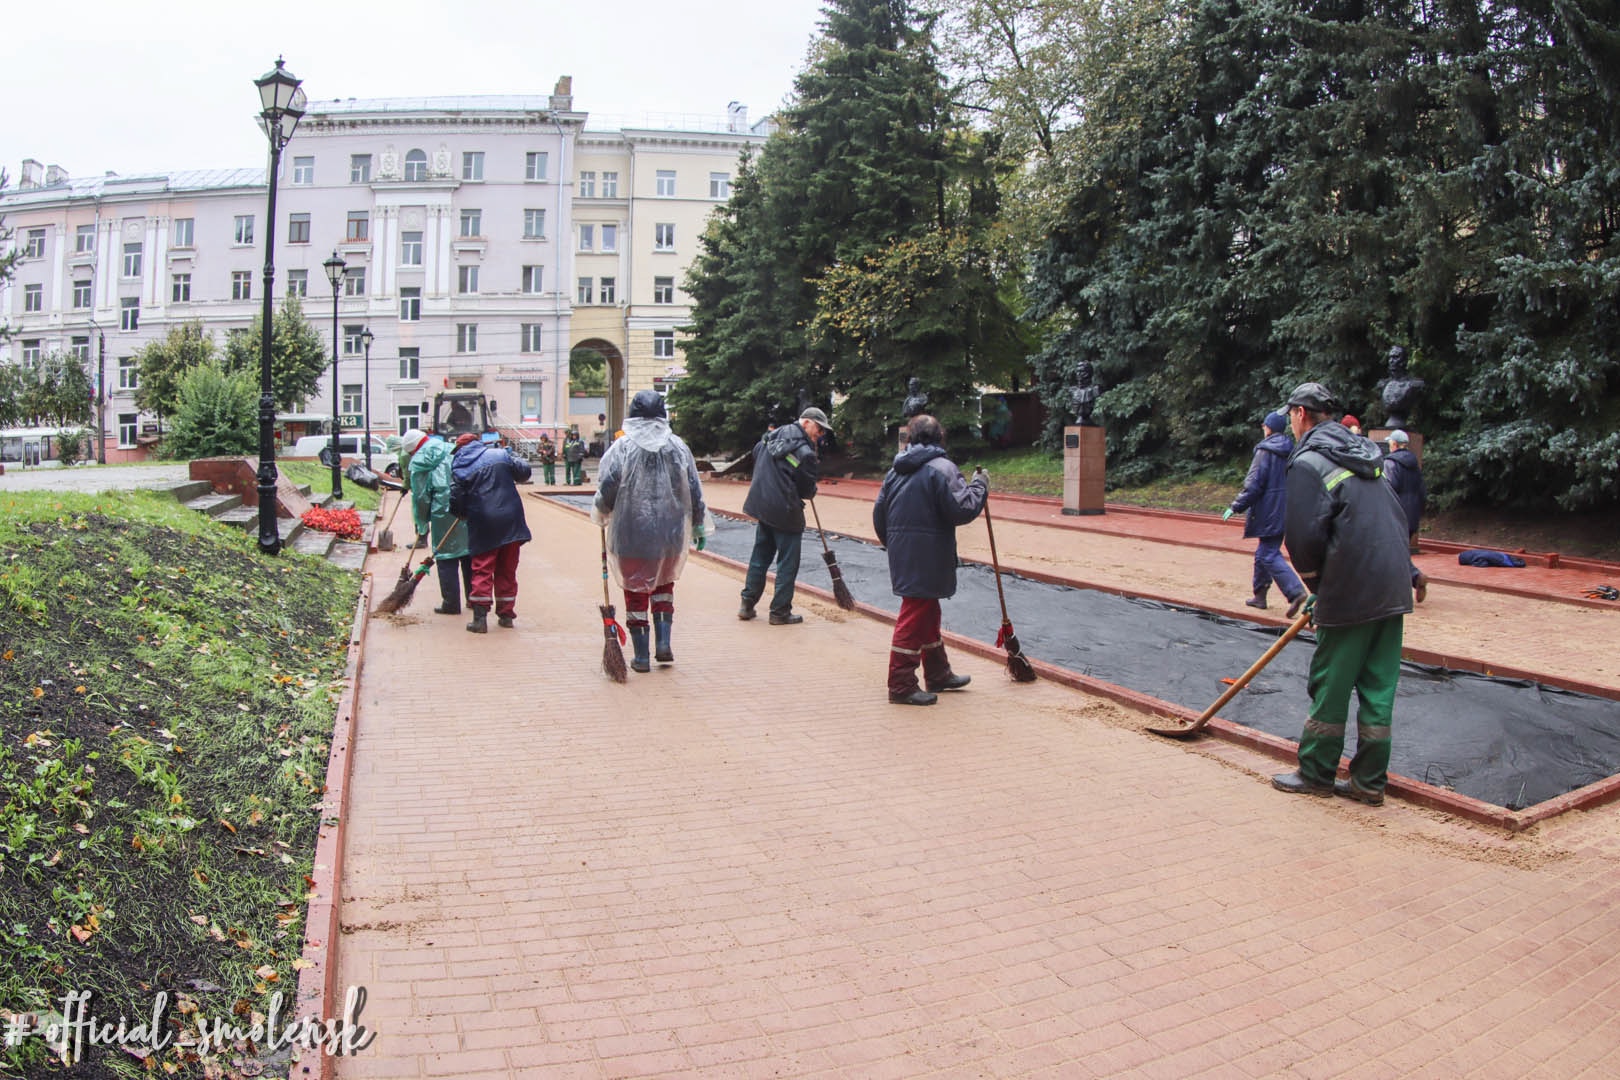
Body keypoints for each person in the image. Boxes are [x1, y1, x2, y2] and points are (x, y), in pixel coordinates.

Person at [1273, 382, 1413, 805]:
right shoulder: (1368, 454)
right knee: (1377, 687)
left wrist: (1318, 588)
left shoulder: (1308, 462)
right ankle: (1369, 782)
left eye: (1291, 416)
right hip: (1391, 586)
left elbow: (1302, 539)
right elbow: (1383, 519)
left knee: (1331, 684)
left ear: (1300, 414)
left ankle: (1316, 773)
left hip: (1351, 591)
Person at [872, 414, 989, 705]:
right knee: (914, 614)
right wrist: (980, 486)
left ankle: (938, 673)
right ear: (940, 437)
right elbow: (962, 509)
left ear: (910, 438)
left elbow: (879, 513)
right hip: (930, 551)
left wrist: (895, 544)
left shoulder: (894, 470)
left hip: (904, 549)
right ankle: (900, 684)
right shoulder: (942, 468)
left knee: (927, 609)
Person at [592, 391, 710, 673]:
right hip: (669, 534)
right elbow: (693, 487)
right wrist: (699, 522)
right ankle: (664, 644)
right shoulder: (677, 447)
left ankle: (642, 657)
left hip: (631, 532)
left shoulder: (622, 448)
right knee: (663, 585)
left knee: (636, 590)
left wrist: (601, 510)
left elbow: (608, 486)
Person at [739, 407, 829, 625]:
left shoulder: (772, 436)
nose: (821, 434)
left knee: (760, 557)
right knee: (788, 562)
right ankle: (780, 611)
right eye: (819, 428)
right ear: (806, 423)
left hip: (763, 506)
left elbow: (757, 452)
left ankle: (747, 604)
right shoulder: (805, 453)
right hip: (786, 511)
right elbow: (807, 489)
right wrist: (811, 490)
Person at [449, 432, 533, 633]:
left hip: (484, 522)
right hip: (511, 519)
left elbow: (456, 498)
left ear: (459, 449)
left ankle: (479, 619)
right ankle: (506, 615)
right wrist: (511, 456)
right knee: (507, 568)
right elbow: (525, 472)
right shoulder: (499, 455)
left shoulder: (460, 466)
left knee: (482, 568)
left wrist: (461, 514)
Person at [1224, 411, 1306, 614]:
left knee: (1267, 554)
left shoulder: (1265, 452)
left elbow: (1253, 484)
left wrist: (1235, 506)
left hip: (1269, 510)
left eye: (1264, 426)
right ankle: (1260, 596)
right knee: (1263, 552)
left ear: (1268, 428)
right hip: (1285, 509)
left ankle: (1295, 591)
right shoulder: (1292, 450)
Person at [404, 429, 472, 616]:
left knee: (446, 556)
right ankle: (474, 600)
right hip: (465, 505)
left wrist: (422, 521)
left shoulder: (418, 462)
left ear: (411, 450)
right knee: (468, 552)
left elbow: (420, 497)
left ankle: (451, 603)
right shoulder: (449, 447)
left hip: (442, 511)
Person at [1382, 430, 1429, 602]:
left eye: (1389, 443)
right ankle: (1413, 580)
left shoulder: (1391, 463)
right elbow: (1422, 491)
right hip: (1412, 514)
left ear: (1394, 444)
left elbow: (1388, 488)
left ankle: (1414, 578)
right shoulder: (1414, 464)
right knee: (1400, 551)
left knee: (1391, 551)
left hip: (1395, 513)